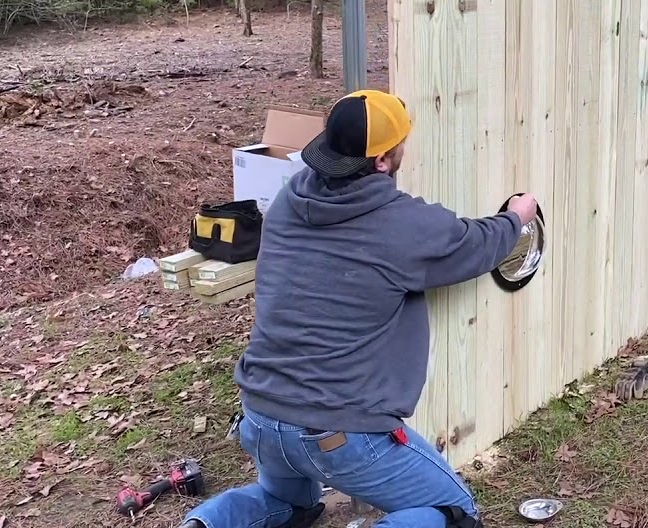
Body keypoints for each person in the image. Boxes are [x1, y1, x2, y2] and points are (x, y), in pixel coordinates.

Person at [178, 89, 539, 528]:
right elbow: (475, 245)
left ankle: (206, 524)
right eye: (400, 142)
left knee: (288, 503)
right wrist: (517, 216)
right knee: (456, 512)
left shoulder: (291, 198)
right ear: (383, 161)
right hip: (340, 436)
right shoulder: (403, 225)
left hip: (261, 416)